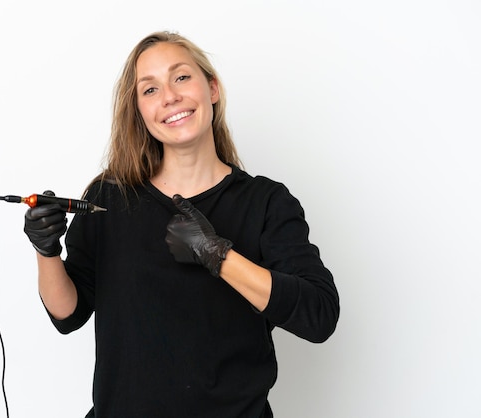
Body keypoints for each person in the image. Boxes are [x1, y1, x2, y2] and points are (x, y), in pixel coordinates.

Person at [23, 31, 340, 418]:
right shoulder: (110, 198)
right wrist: (46, 250)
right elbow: (67, 314)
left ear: (212, 88)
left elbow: (319, 316)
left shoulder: (267, 202)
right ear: (139, 111)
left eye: (182, 77)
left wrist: (217, 255)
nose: (170, 96)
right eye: (150, 89)